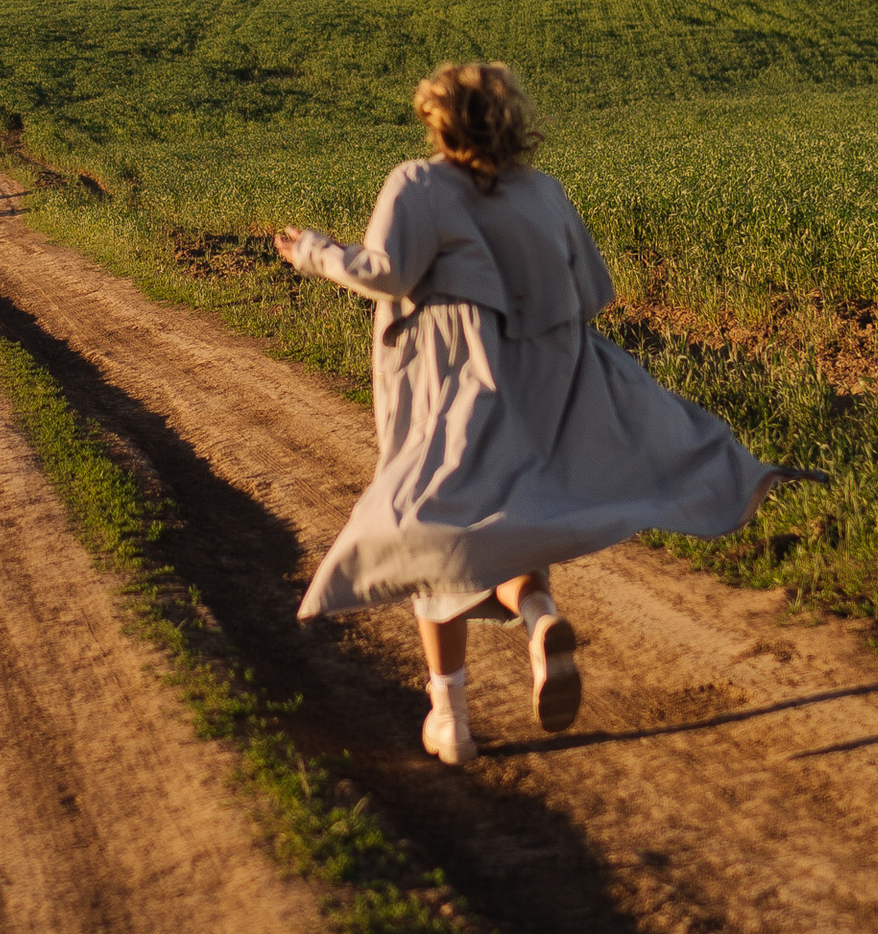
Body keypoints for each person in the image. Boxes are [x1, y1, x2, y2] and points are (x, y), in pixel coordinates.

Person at [273, 60, 781, 763]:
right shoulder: (545, 193)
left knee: (428, 525)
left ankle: (449, 716)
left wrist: (309, 250)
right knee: (512, 513)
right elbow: (594, 291)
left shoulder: (417, 185)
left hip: (452, 383)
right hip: (542, 381)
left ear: (437, 121)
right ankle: (538, 615)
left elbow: (383, 273)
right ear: (511, 120)